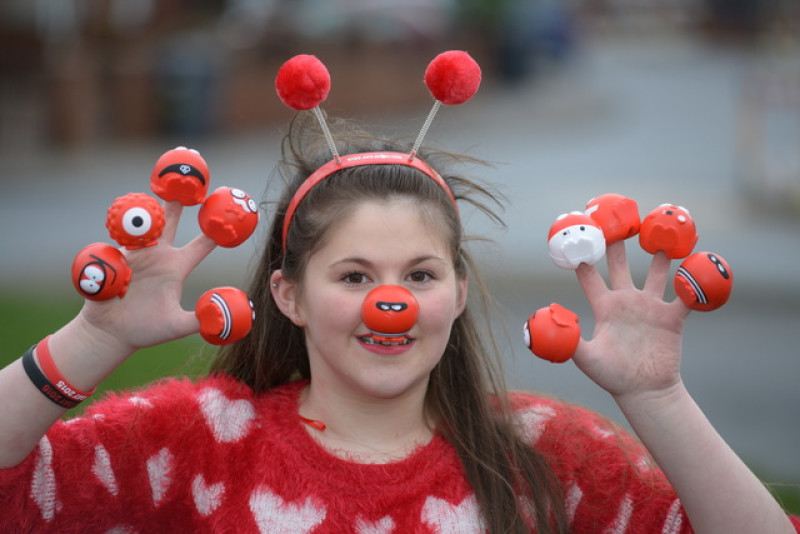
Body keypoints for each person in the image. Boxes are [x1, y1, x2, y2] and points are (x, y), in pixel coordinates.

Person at [0, 111, 798, 534]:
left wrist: (659, 399)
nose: (395, 304)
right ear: (289, 296)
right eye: (354, 277)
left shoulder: (546, 455)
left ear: (456, 290)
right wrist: (95, 339)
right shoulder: (199, 441)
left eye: (420, 274)